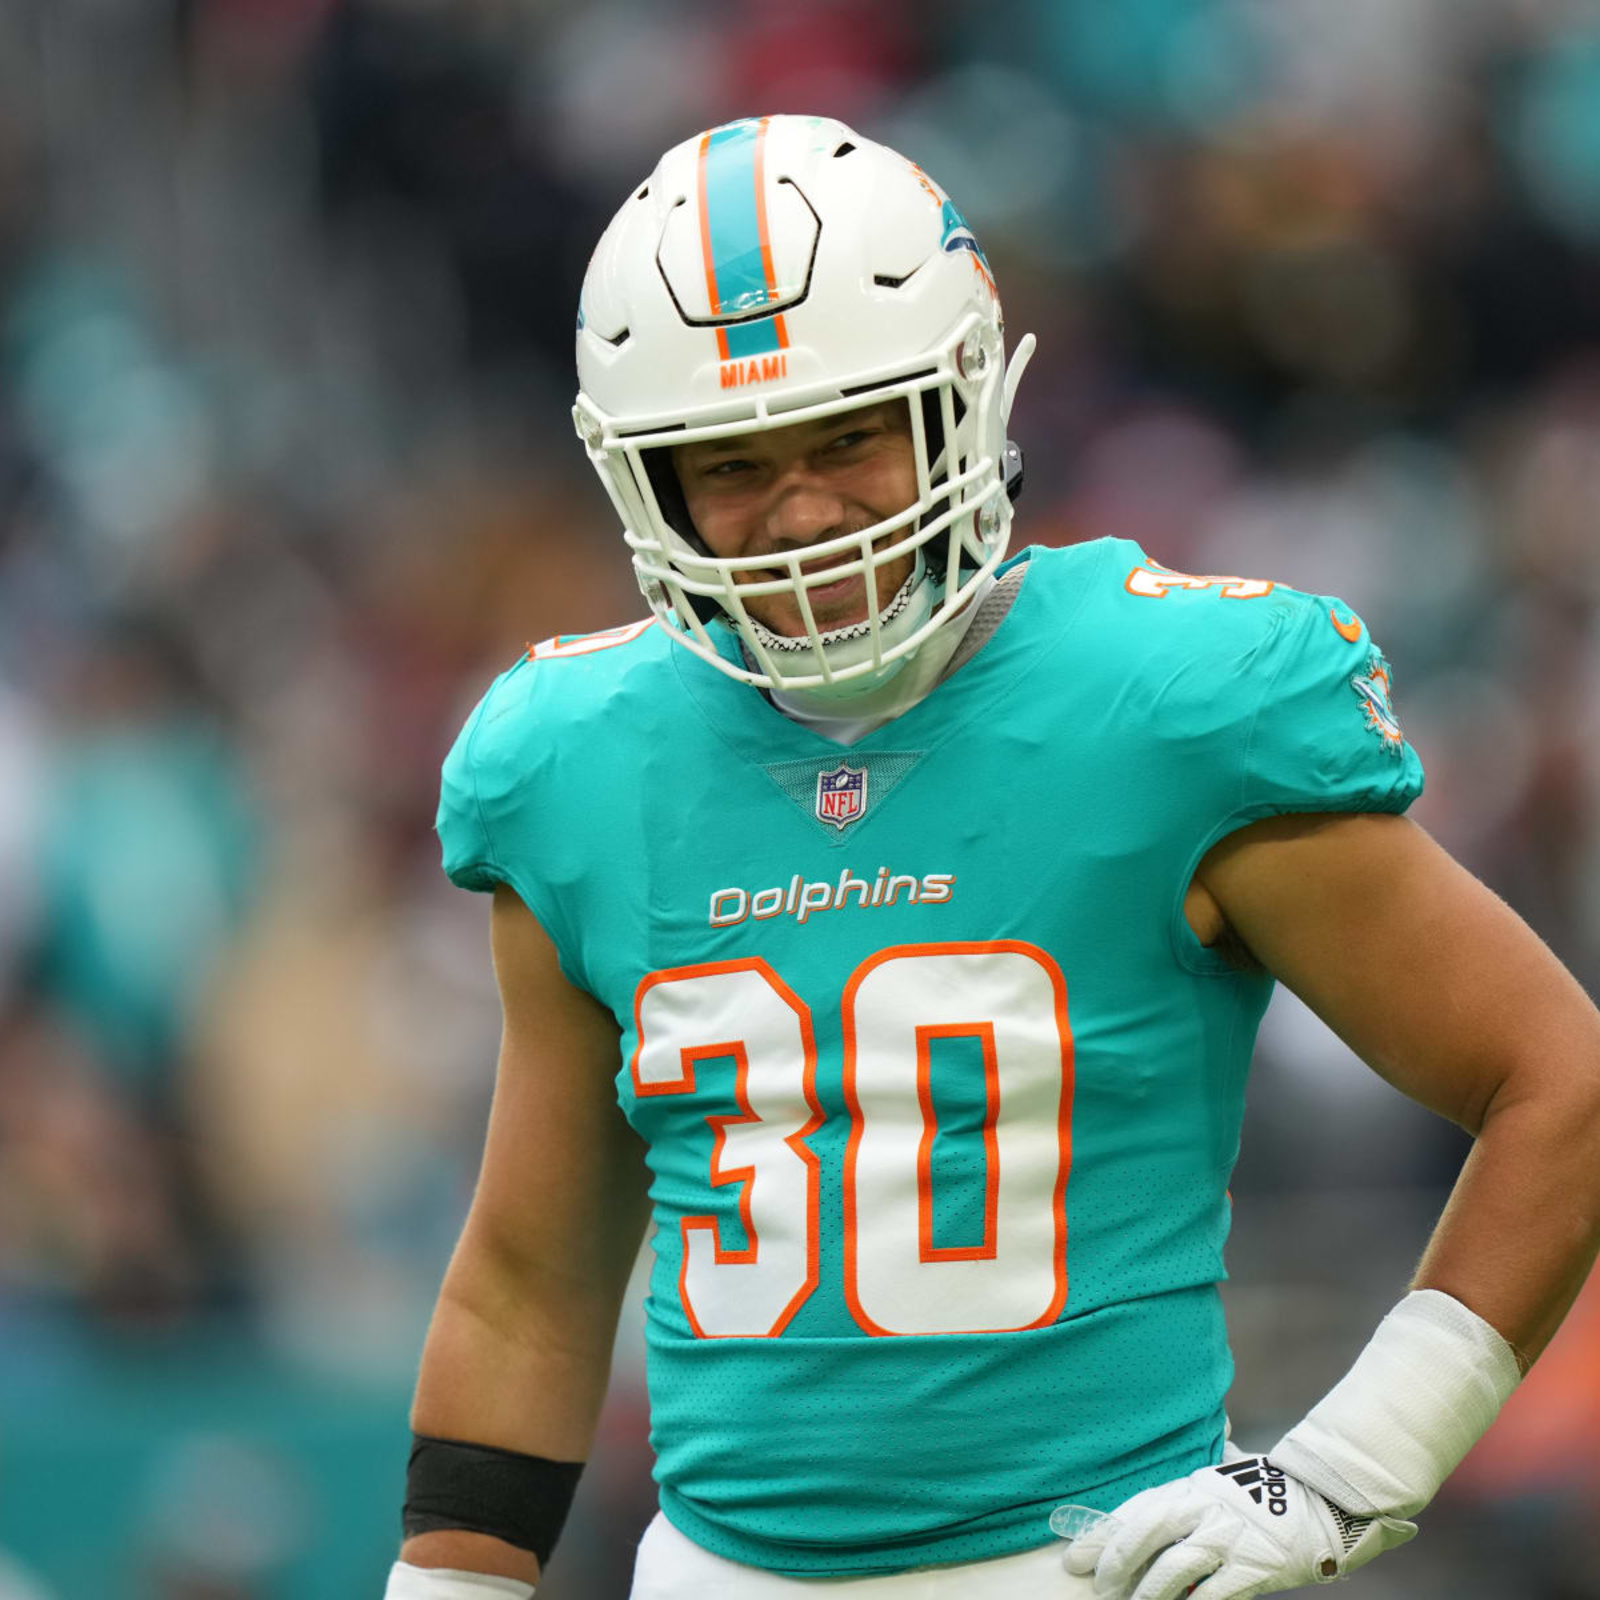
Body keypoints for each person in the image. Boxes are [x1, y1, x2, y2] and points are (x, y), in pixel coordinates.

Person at [384, 115, 1600, 1600]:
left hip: (1095, 1568)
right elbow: (530, 1282)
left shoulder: (1163, 703)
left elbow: (1563, 1080)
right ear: (648, 479)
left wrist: (1353, 1467)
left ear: (962, 398)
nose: (804, 511)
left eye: (847, 434)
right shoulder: (576, 759)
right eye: (733, 463)